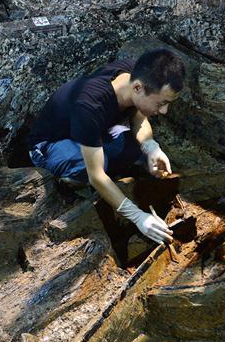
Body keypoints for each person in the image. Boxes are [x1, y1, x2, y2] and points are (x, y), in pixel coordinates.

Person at [27, 49, 186, 244]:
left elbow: (138, 116)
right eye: (161, 103)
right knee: (93, 168)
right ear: (137, 88)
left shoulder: (139, 72)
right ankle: (70, 179)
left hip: (93, 131)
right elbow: (97, 176)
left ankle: (97, 156)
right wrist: (138, 217)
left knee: (134, 149)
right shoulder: (90, 105)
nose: (164, 111)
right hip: (51, 143)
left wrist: (151, 146)